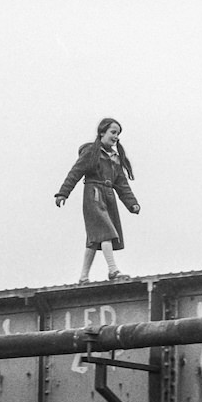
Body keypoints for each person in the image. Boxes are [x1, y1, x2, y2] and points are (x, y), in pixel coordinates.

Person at [55, 118, 140, 282]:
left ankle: (83, 276)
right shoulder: (92, 153)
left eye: (118, 134)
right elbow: (75, 172)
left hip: (108, 197)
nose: (115, 137)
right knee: (106, 231)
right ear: (102, 132)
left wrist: (132, 203)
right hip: (94, 195)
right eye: (113, 132)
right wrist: (63, 193)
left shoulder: (114, 158)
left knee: (94, 240)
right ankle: (113, 270)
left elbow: (122, 184)